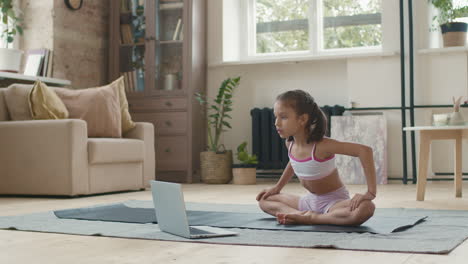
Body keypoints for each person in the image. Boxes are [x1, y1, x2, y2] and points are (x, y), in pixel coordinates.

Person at [256, 90, 376, 226]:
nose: (276, 123)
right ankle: (298, 214)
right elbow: (294, 162)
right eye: (275, 117)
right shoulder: (290, 143)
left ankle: (312, 218)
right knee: (264, 200)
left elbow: (365, 151)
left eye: (283, 117)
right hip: (308, 201)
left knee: (367, 208)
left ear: (302, 119)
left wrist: (370, 192)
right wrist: (278, 187)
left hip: (334, 203)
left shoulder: (323, 145)